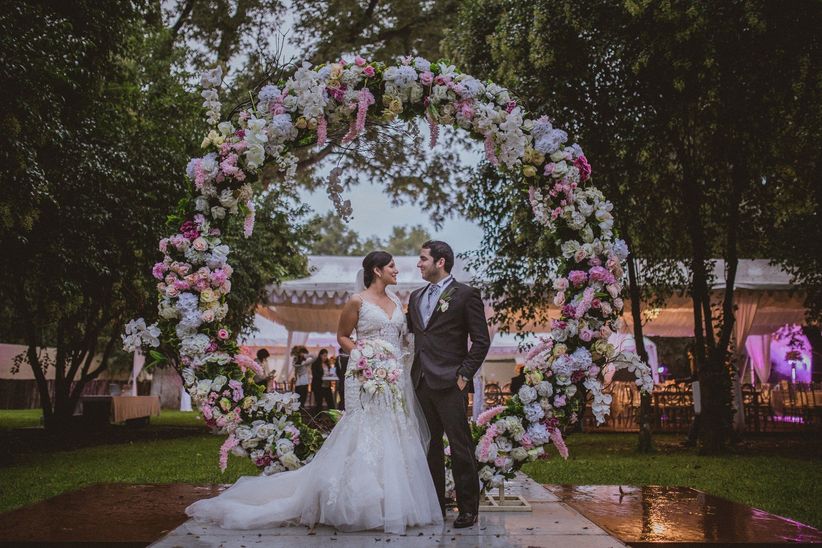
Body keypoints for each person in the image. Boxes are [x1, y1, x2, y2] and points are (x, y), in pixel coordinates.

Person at [186, 251, 442, 534]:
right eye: (392, 266)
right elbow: (342, 336)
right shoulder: (357, 301)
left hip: (393, 378)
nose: (397, 270)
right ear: (377, 270)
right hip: (364, 373)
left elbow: (402, 337)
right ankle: (358, 504)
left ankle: (396, 502)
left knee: (395, 427)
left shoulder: (396, 301)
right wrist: (362, 354)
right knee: (364, 428)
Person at [407, 240, 490, 529]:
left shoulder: (466, 295)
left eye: (423, 259)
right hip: (421, 381)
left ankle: (469, 509)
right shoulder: (415, 297)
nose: (419, 264)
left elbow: (481, 341)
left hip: (451, 382)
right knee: (428, 445)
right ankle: (435, 506)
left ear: (440, 262)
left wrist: (464, 375)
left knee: (460, 445)